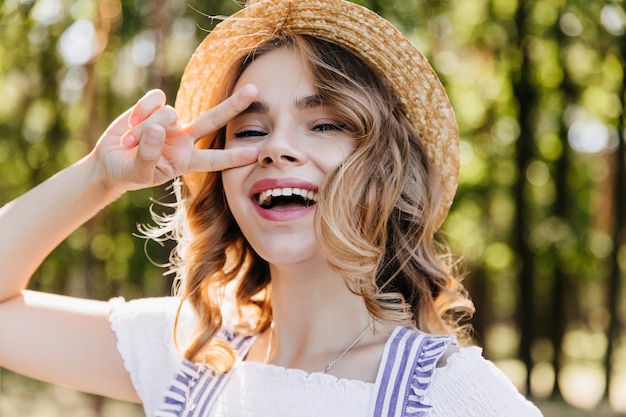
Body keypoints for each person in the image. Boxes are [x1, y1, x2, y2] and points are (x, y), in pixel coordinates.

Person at [0, 0, 544, 416]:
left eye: (326, 123)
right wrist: (100, 175)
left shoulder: (449, 395)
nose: (274, 148)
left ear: (387, 165)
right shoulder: (192, 354)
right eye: (252, 130)